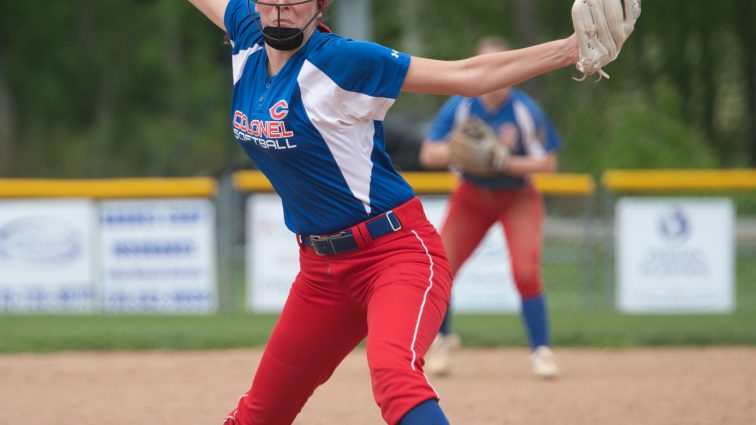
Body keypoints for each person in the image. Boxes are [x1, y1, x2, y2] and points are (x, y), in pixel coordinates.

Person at [187, 1, 578, 423]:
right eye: (269, 1)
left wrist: (571, 49)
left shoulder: (343, 60)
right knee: (261, 412)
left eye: (294, 1)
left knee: (395, 375)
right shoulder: (248, 34)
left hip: (394, 254)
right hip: (321, 273)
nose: (280, 11)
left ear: (320, 4)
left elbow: (468, 76)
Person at [419, 36, 562, 380]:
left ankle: (541, 350)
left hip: (517, 198)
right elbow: (429, 154)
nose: (492, 73)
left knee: (525, 273)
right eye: (485, 64)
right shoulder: (462, 106)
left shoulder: (524, 110)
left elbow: (548, 163)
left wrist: (501, 161)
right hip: (472, 196)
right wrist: (462, 153)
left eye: (499, 66)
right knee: (440, 269)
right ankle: (442, 339)